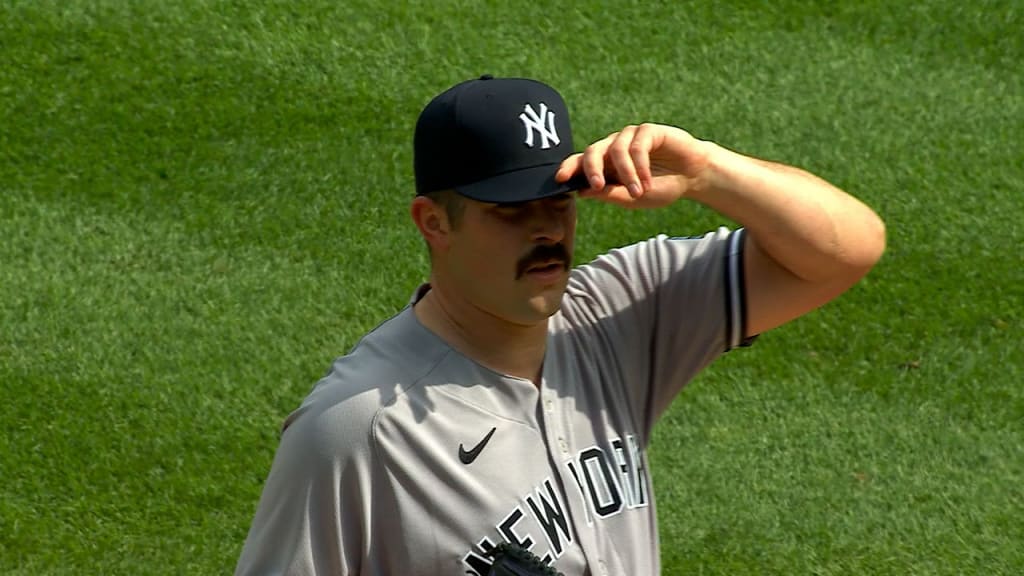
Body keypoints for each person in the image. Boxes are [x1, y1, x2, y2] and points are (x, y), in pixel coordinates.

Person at [235, 75, 885, 575]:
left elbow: (845, 250)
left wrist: (706, 173)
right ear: (434, 222)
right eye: (511, 210)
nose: (547, 227)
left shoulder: (619, 312)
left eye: (558, 199)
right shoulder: (357, 430)